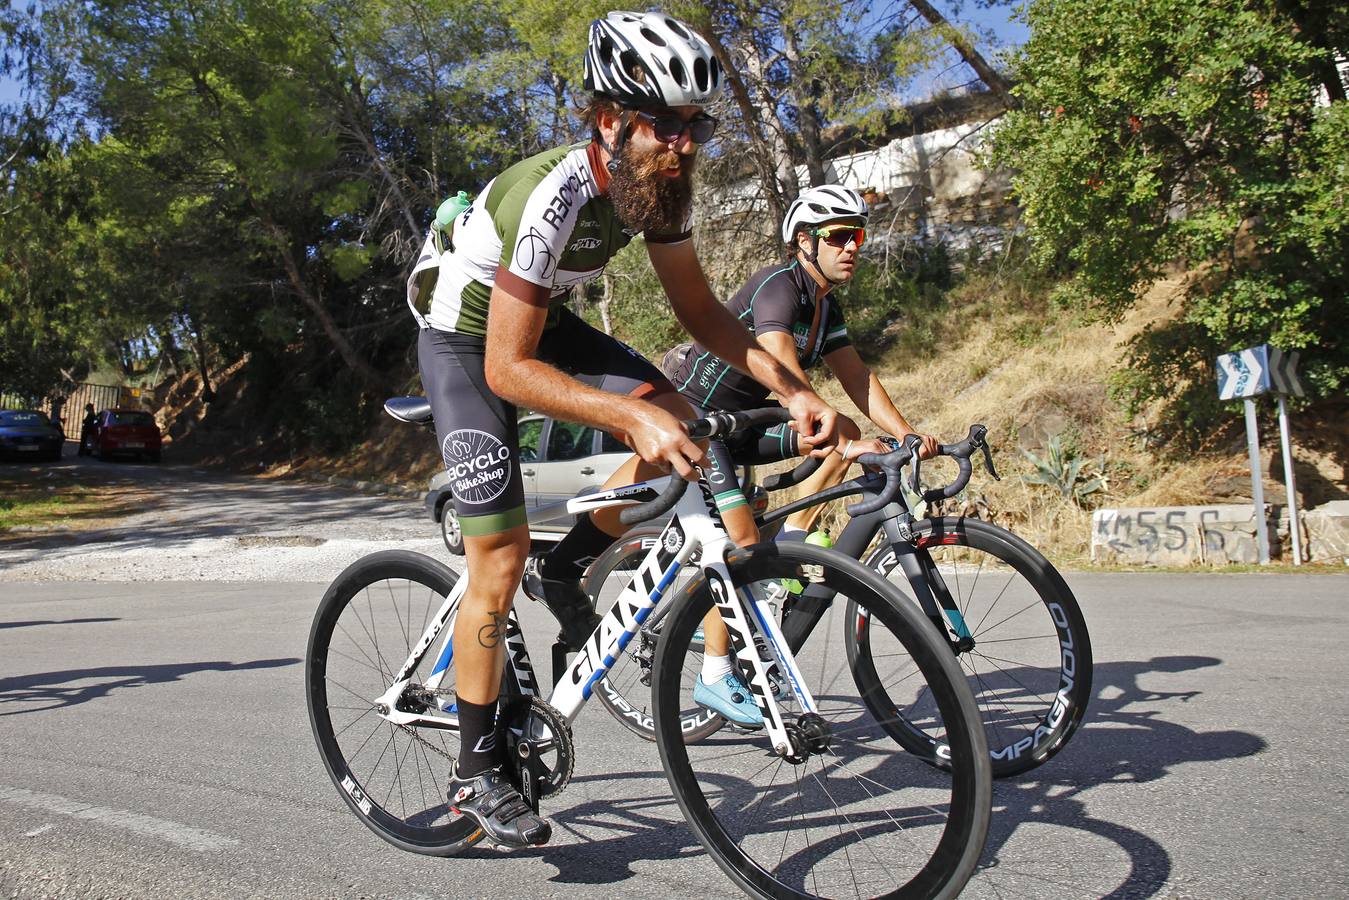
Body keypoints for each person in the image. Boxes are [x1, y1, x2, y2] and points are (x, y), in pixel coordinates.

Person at [413, 11, 840, 850]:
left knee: (689, 423)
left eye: (697, 125)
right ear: (610, 121)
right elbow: (506, 370)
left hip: (540, 321)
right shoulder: (551, 193)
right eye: (665, 124)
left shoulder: (655, 188)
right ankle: (473, 770)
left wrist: (790, 390)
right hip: (465, 341)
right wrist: (627, 413)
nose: (684, 144)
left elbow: (703, 315)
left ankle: (568, 568)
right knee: (495, 559)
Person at [669, 184, 939, 609]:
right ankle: (714, 666)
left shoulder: (826, 308)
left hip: (749, 421)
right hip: (704, 419)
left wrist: (909, 435)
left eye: (858, 236)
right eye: (837, 236)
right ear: (804, 241)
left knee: (843, 432)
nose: (851, 246)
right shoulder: (779, 285)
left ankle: (794, 536)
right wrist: (829, 425)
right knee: (740, 542)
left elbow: (857, 377)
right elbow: (778, 359)